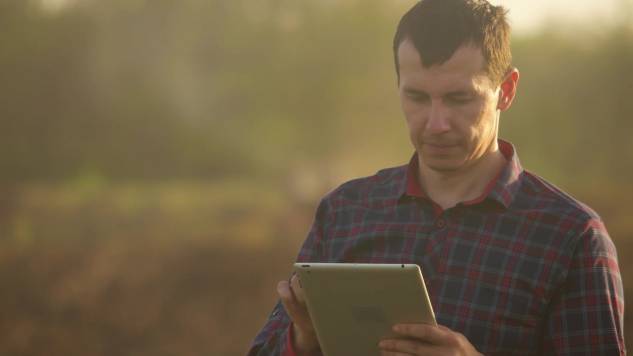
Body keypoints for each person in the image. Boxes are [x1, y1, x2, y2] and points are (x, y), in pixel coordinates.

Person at [248, 0, 625, 354]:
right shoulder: (345, 211)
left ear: (505, 91)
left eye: (459, 99)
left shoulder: (572, 236)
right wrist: (304, 339)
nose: (436, 123)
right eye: (417, 98)